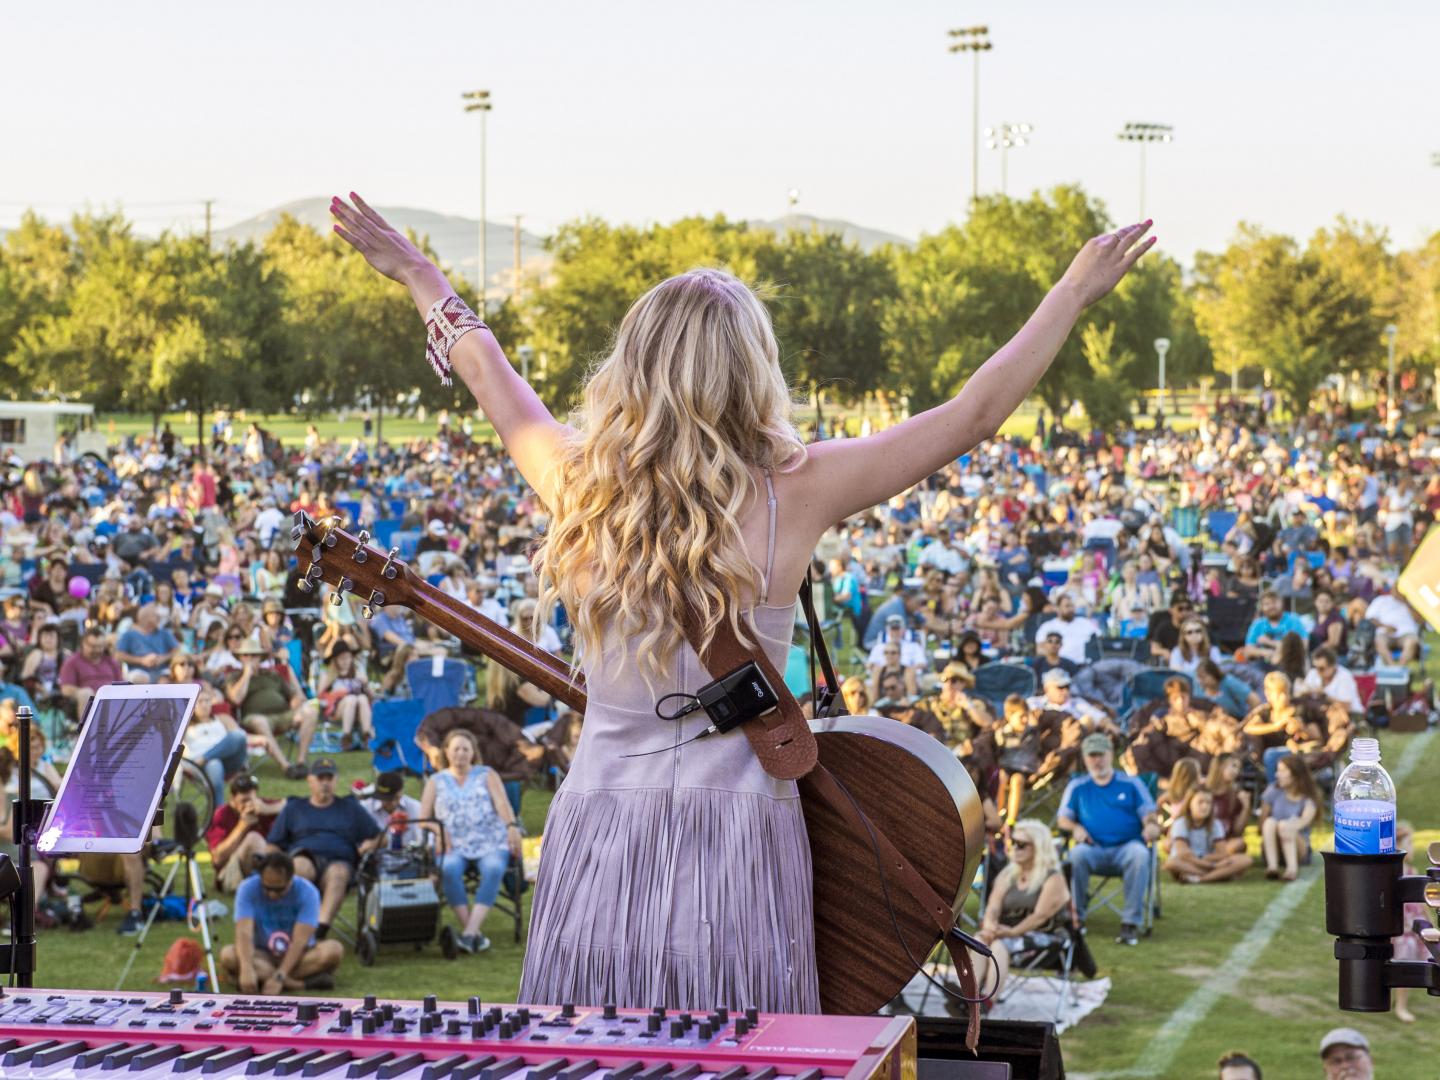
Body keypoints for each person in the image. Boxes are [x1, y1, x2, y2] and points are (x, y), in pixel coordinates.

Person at [331, 191, 1154, 1010]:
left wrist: (418, 273)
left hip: (596, 827)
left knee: (586, 1051)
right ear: (751, 369)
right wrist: (1071, 292)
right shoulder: (801, 490)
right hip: (739, 838)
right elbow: (973, 414)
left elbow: (486, 368)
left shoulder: (576, 483)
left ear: (634, 366)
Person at [419, 729, 524, 954]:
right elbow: (423, 819)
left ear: (473, 752)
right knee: (448, 868)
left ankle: (468, 932)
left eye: (465, 749)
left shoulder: (487, 774)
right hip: (452, 844)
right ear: (446, 751)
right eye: (455, 748)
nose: (460, 754)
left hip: (490, 840)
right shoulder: (436, 781)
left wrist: (511, 826)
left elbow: (503, 805)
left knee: (495, 867)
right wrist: (438, 831)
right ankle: (473, 934)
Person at [1057, 733, 1160, 946]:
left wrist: (1150, 825)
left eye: (1101, 755)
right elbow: (1062, 819)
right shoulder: (1077, 786)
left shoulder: (1131, 784)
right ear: (1085, 758)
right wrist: (1075, 828)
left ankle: (1130, 923)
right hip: (1092, 848)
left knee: (1140, 855)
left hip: (1127, 847)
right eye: (1092, 755)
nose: (1097, 760)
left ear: (1111, 755)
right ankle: (1077, 919)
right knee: (1075, 855)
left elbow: (1149, 814)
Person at [265, 758, 383, 938]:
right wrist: (272, 864)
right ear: (310, 780)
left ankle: (320, 928)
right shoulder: (295, 808)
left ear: (336, 780)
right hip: (305, 856)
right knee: (300, 866)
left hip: (340, 861)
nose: (325, 783)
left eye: (329, 778)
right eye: (320, 778)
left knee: (338, 873)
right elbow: (273, 843)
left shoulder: (350, 807)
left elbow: (381, 837)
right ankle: (293, 924)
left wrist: (372, 843)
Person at [971, 819, 1071, 1000]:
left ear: (1038, 848)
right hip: (1007, 932)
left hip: (1046, 936)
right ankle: (970, 996)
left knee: (999, 946)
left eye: (1021, 844)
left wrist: (1012, 933)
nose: (1014, 848)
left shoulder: (1053, 879)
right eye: (1013, 842)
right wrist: (990, 927)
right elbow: (993, 906)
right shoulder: (1008, 874)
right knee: (979, 940)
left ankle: (987, 1001)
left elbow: (1040, 916)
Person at [220, 851, 344, 994]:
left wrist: (280, 976)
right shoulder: (247, 888)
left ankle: (265, 979)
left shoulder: (308, 892)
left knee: (333, 950)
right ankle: (299, 984)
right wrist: (247, 967)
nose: (272, 894)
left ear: (291, 879)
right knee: (228, 955)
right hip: (261, 955)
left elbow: (300, 941)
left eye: (279, 889)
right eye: (267, 888)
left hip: (298, 956)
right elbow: (244, 933)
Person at [225, 639, 320, 778]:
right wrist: (246, 674)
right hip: (256, 717)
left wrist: (295, 701)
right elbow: (236, 698)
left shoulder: (273, 674)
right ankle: (286, 767)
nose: (250, 659)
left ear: (260, 657)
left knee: (311, 712)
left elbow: (292, 695)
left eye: (254, 655)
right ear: (240, 658)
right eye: (246, 655)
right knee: (260, 722)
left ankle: (300, 762)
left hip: (284, 714)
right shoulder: (234, 676)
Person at [206, 774, 286, 894]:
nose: (249, 805)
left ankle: (270, 884)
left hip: (263, 865)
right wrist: (242, 826)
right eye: (244, 801)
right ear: (232, 800)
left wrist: (269, 809)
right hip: (230, 875)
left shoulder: (262, 805)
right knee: (253, 839)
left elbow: (293, 806)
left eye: (252, 799)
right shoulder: (222, 815)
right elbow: (217, 859)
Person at [1164, 787, 1251, 883]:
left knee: (1245, 859)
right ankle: (1217, 875)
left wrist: (1208, 860)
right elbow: (1183, 854)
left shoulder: (1215, 824)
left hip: (1207, 859)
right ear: (1189, 804)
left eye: (1208, 803)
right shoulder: (1180, 823)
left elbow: (1222, 853)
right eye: (1200, 802)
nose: (1205, 806)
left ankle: (1200, 878)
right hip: (1189, 862)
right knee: (1172, 863)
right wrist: (1212, 866)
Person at [1259, 754, 1320, 881]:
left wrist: (1287, 826)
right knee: (1270, 822)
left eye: (1282, 771)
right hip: (1274, 845)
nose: (1277, 775)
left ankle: (1291, 870)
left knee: (1284, 826)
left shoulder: (1308, 797)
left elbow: (1304, 821)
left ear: (1295, 774)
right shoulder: (1273, 791)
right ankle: (1272, 867)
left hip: (1298, 848)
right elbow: (1262, 822)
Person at [58, 626, 122, 721]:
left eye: (99, 647)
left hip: (112, 698)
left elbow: (121, 683)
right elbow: (65, 689)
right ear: (83, 644)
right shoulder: (72, 662)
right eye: (92, 646)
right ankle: (87, 732)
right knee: (86, 693)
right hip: (88, 699)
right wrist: (95, 693)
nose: (96, 650)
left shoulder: (111, 661)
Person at [113, 603, 180, 684]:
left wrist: (162, 658)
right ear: (145, 618)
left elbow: (177, 650)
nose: (159, 618)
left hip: (162, 670)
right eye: (155, 616)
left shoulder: (164, 633)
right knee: (139, 679)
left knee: (166, 680)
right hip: (138, 670)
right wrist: (142, 660)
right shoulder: (129, 635)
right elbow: (119, 655)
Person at [1033, 593, 1101, 666]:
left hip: (1084, 665)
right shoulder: (1047, 626)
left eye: (1072, 606)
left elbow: (1100, 641)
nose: (1071, 609)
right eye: (1067, 606)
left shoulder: (1085, 622)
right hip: (1059, 665)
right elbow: (1039, 650)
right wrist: (1054, 656)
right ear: (1057, 608)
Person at [1242, 591, 1307, 666]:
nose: (1271, 606)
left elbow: (1304, 645)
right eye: (1267, 604)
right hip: (1262, 665)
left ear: (1281, 603)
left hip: (1288, 664)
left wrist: (1269, 642)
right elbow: (1248, 651)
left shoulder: (1293, 620)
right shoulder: (1258, 624)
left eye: (1274, 602)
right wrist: (1264, 652)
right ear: (1262, 607)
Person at [362, 770, 424, 847]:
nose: (389, 802)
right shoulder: (365, 808)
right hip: (376, 857)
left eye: (393, 798)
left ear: (401, 792)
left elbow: (423, 839)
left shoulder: (415, 807)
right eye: (384, 798)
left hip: (408, 856)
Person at [1301, 646, 1364, 715]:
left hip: (1351, 715)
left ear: (1333, 666)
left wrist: (1324, 696)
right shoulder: (1313, 673)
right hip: (1323, 715)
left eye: (1321, 668)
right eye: (1315, 667)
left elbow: (1347, 707)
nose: (1318, 671)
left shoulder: (1344, 676)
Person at [1365, 586, 1420, 666]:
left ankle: (1401, 667)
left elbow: (1420, 621)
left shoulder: (1412, 602)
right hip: (1386, 632)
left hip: (1407, 633)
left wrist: (1406, 603)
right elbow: (1370, 618)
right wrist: (1385, 626)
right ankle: (1392, 666)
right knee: (1378, 641)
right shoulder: (1381, 600)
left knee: (1413, 641)